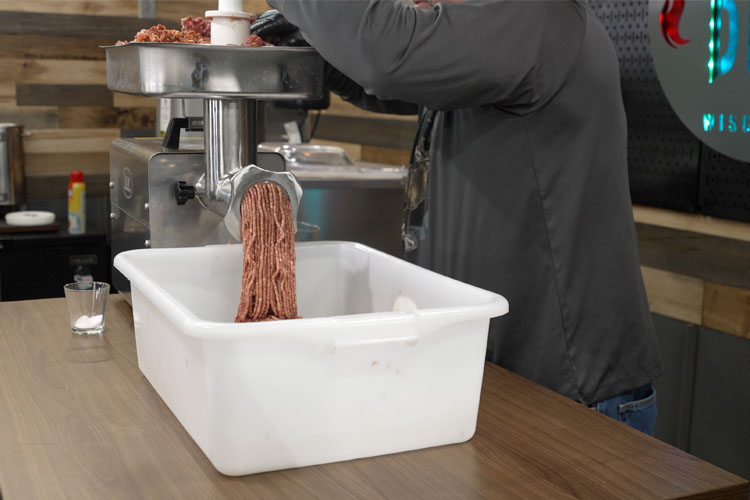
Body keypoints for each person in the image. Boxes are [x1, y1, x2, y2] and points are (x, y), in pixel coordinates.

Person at [253, 0, 663, 434]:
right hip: (502, 373)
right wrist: (312, 36)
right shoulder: (503, 34)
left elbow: (389, 57)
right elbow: (389, 82)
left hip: (568, 388)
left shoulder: (538, 15)